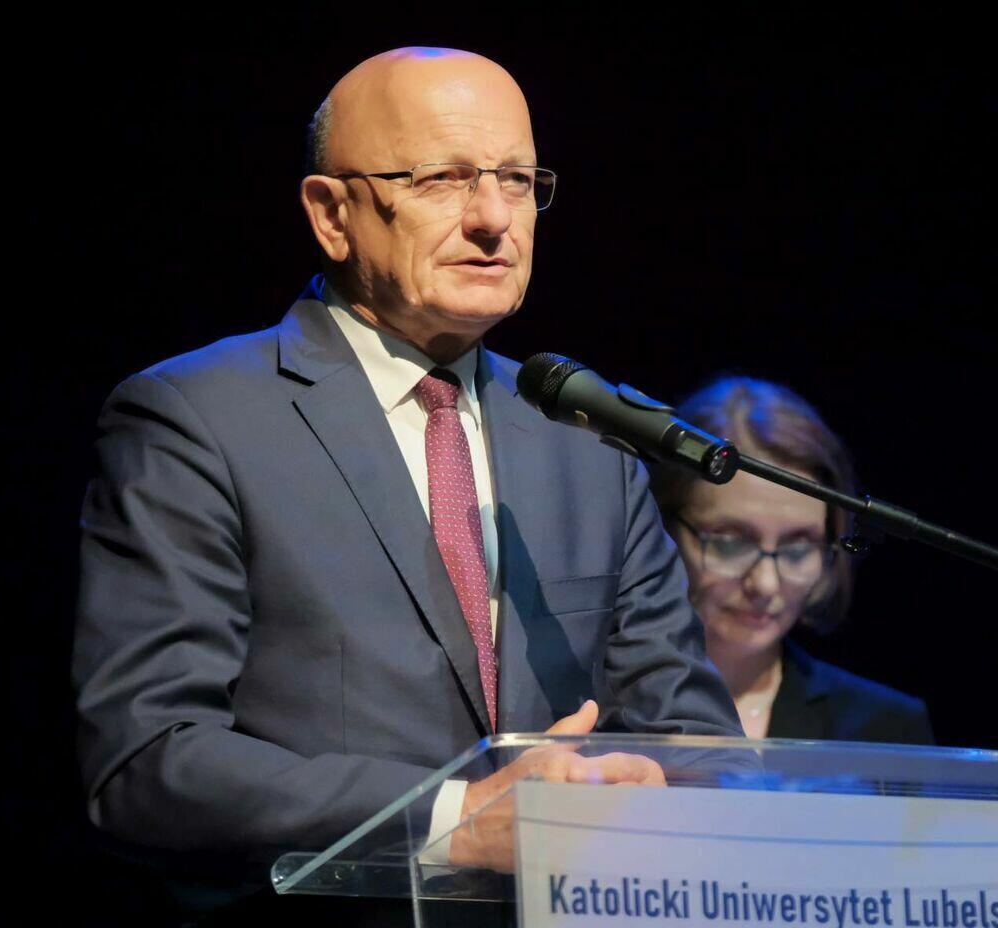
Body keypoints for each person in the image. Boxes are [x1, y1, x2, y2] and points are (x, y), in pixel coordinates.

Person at [72, 47, 741, 921]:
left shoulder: (586, 438)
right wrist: (456, 818)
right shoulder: (197, 419)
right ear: (332, 215)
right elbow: (150, 760)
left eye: (516, 179)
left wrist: (646, 788)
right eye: (442, 179)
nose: (493, 218)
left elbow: (697, 745)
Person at [651, 376, 934, 744]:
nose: (765, 584)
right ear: (661, 527)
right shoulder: (592, 702)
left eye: (798, 549)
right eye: (730, 543)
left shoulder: (886, 727)